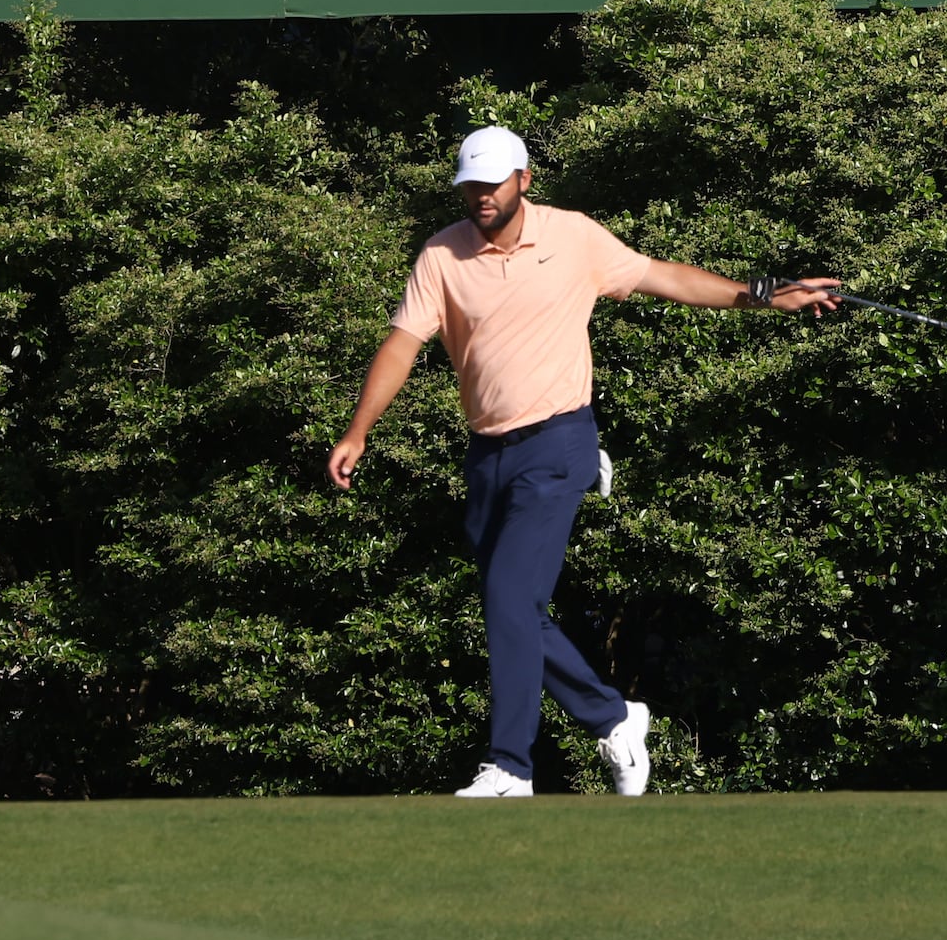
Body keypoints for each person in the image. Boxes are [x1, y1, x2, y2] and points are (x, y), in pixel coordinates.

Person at [327, 124, 840, 799]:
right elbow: (400, 345)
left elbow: (664, 276)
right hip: (487, 452)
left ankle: (510, 764)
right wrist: (359, 429)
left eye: (492, 183)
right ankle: (612, 715)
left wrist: (763, 293)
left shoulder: (573, 236)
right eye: (470, 185)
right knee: (510, 607)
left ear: (524, 180)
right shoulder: (442, 255)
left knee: (511, 598)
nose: (480, 195)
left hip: (559, 442)